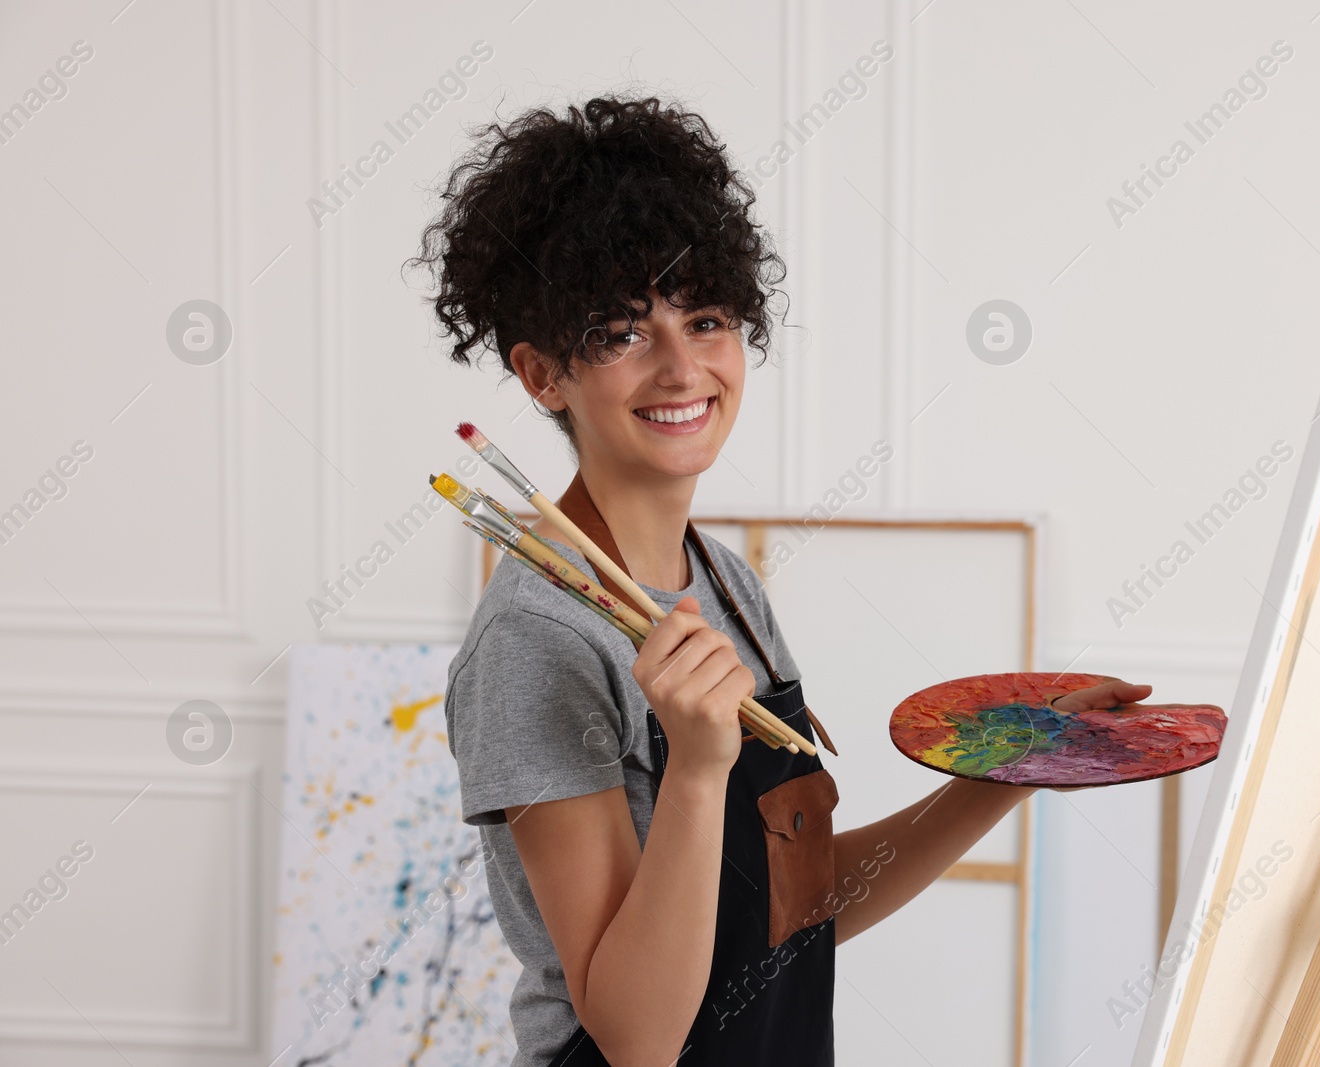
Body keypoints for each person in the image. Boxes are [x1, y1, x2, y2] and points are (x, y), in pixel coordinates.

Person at [417, 94, 1151, 1067]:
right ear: (542, 374)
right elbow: (634, 1034)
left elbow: (799, 908)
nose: (683, 367)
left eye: (706, 317)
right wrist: (699, 765)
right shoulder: (537, 639)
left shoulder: (724, 585)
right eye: (621, 331)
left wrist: (1012, 768)